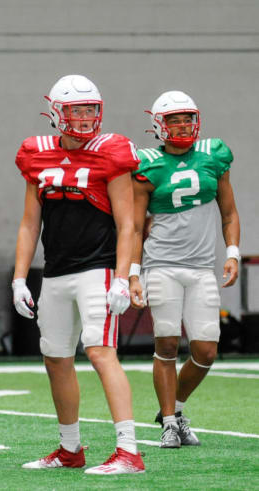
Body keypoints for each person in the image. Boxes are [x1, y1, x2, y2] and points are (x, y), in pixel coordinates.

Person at [12, 74, 145, 475]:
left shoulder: (112, 151)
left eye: (90, 109)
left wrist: (123, 276)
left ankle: (129, 452)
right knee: (55, 358)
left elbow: (128, 224)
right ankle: (70, 448)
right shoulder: (37, 154)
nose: (85, 118)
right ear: (55, 112)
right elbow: (28, 224)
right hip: (55, 274)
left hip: (98, 270)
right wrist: (19, 277)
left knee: (101, 352)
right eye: (75, 110)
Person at [129, 90, 240, 448]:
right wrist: (133, 272)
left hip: (201, 266)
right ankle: (171, 424)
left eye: (186, 118)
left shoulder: (213, 155)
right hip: (162, 264)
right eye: (173, 120)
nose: (181, 126)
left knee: (206, 350)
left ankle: (173, 409)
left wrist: (233, 251)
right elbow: (133, 225)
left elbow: (229, 212)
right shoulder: (147, 163)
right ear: (158, 126)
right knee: (166, 342)